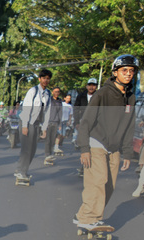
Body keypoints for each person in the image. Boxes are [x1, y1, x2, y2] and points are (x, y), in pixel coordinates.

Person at [74, 54, 138, 230]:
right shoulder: (102, 93)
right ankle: (89, 219)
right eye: (124, 70)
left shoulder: (130, 97)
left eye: (132, 71)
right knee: (98, 181)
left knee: (109, 186)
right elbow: (86, 121)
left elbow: (129, 125)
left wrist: (127, 152)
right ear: (115, 72)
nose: (128, 74)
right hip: (96, 142)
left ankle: (82, 215)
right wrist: (84, 148)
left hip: (115, 147)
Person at [14, 68, 52, 182]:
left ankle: (22, 171)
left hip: (36, 124)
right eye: (43, 78)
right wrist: (25, 126)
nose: (45, 80)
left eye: (48, 78)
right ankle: (20, 172)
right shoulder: (33, 91)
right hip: (27, 122)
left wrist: (44, 128)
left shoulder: (47, 94)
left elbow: (47, 112)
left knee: (33, 149)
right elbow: (26, 109)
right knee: (26, 149)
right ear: (39, 79)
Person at [44, 86, 63, 162]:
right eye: (55, 91)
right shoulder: (49, 100)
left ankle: (50, 154)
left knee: (52, 140)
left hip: (55, 122)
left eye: (58, 92)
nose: (57, 93)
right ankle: (47, 155)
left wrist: (60, 124)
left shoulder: (60, 101)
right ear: (52, 92)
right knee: (48, 139)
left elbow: (60, 113)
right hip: (48, 122)